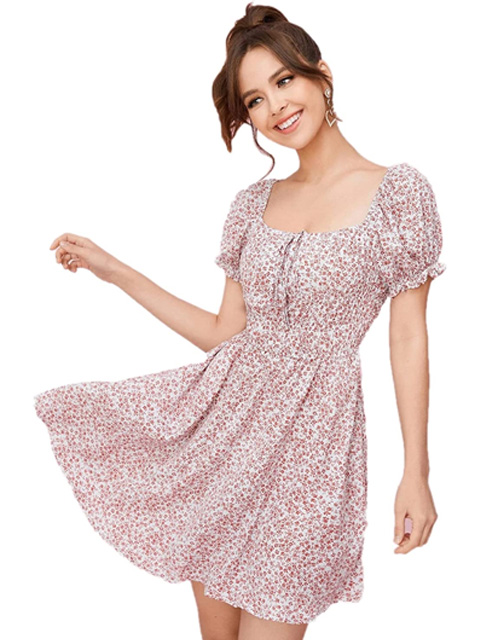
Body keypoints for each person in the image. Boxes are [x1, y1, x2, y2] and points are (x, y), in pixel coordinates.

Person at [33, 4, 447, 640]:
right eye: (255, 99)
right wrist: (114, 270)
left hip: (314, 454)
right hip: (224, 443)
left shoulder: (399, 193)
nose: (275, 107)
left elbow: (408, 335)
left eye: (284, 81)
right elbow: (227, 334)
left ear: (321, 74)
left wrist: (416, 471)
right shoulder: (251, 206)